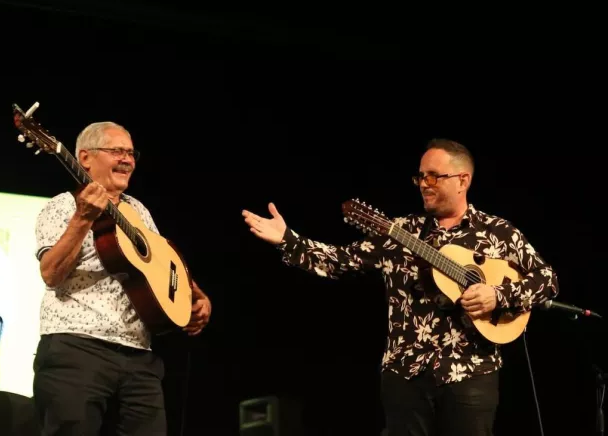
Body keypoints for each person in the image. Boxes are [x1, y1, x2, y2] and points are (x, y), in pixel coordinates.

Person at [241, 138, 558, 436]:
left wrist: (497, 295)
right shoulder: (399, 232)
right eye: (420, 177)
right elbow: (338, 261)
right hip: (405, 374)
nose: (424, 184)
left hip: (472, 373)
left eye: (433, 176)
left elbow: (547, 279)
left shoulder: (497, 232)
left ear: (463, 180)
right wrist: (287, 240)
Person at [32, 121, 212, 436]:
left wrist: (195, 296)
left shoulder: (138, 210)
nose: (127, 160)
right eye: (117, 151)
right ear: (85, 158)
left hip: (140, 358)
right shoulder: (62, 206)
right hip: (77, 350)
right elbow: (51, 273)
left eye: (131, 153)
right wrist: (83, 218)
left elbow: (162, 261)